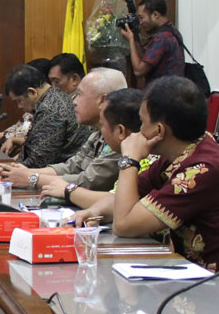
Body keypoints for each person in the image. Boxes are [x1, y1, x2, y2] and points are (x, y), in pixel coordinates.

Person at [75, 77, 219, 270]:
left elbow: (125, 225)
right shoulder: (181, 153)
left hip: (208, 282)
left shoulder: (201, 171)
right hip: (187, 272)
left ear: (159, 130)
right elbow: (124, 199)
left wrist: (130, 159)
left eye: (142, 122)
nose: (138, 132)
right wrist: (95, 212)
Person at [1, 68, 126, 191]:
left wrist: (32, 178)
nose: (74, 101)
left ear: (102, 101)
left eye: (79, 95)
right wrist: (27, 172)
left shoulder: (120, 135)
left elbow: (90, 181)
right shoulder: (97, 132)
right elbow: (73, 166)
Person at [43, 88, 143, 209]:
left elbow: (119, 203)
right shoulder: (116, 143)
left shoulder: (144, 160)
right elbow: (113, 199)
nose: (74, 101)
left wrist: (68, 190)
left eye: (102, 125)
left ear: (120, 131)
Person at [4, 64, 91, 168]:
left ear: (32, 92)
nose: (19, 106)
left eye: (19, 101)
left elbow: (38, 161)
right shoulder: (54, 95)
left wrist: (7, 170)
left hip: (58, 172)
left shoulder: (50, 109)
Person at [120, 0, 185, 85]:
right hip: (174, 89)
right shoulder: (172, 31)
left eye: (141, 17)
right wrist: (135, 38)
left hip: (163, 91)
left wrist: (130, 40)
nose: (140, 22)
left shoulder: (162, 38)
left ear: (155, 15)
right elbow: (146, 58)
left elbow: (138, 71)